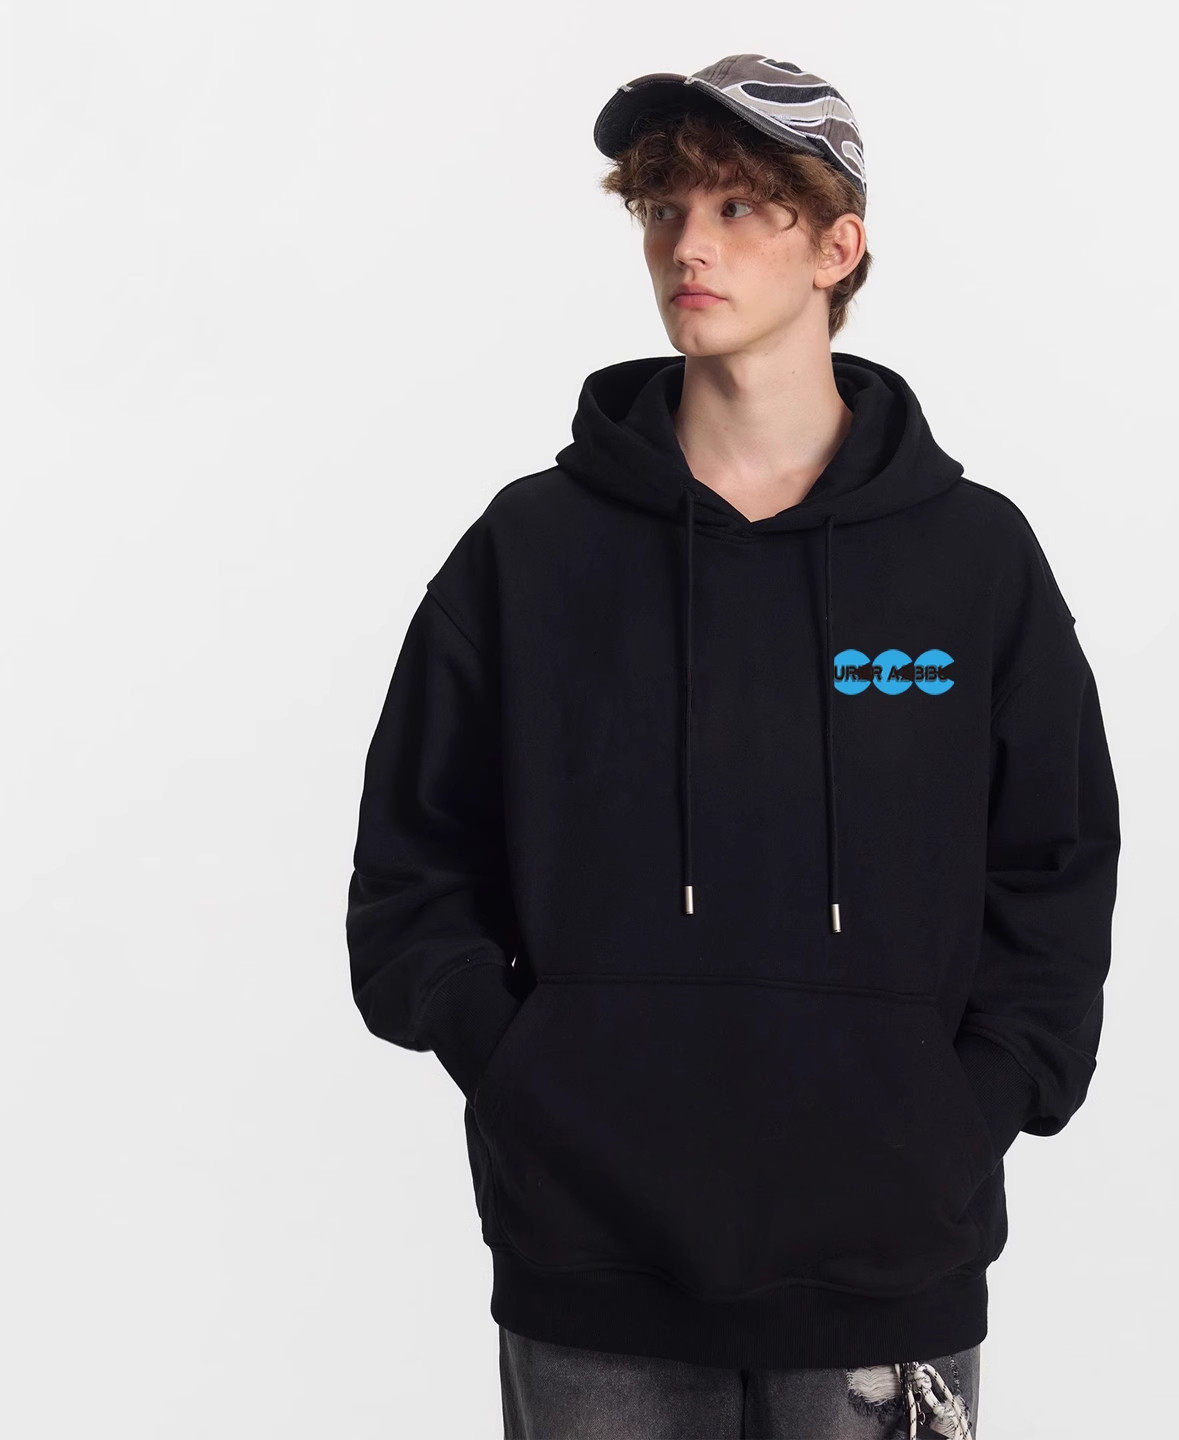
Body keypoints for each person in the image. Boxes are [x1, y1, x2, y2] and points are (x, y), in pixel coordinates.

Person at [345, 52, 1121, 1439]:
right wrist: (528, 1078)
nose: (686, 245)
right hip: (592, 1270)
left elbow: (1053, 867)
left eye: (741, 208)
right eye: (662, 208)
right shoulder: (534, 550)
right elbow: (412, 872)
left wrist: (970, 1110)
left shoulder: (972, 561)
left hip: (890, 1268)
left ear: (839, 247)